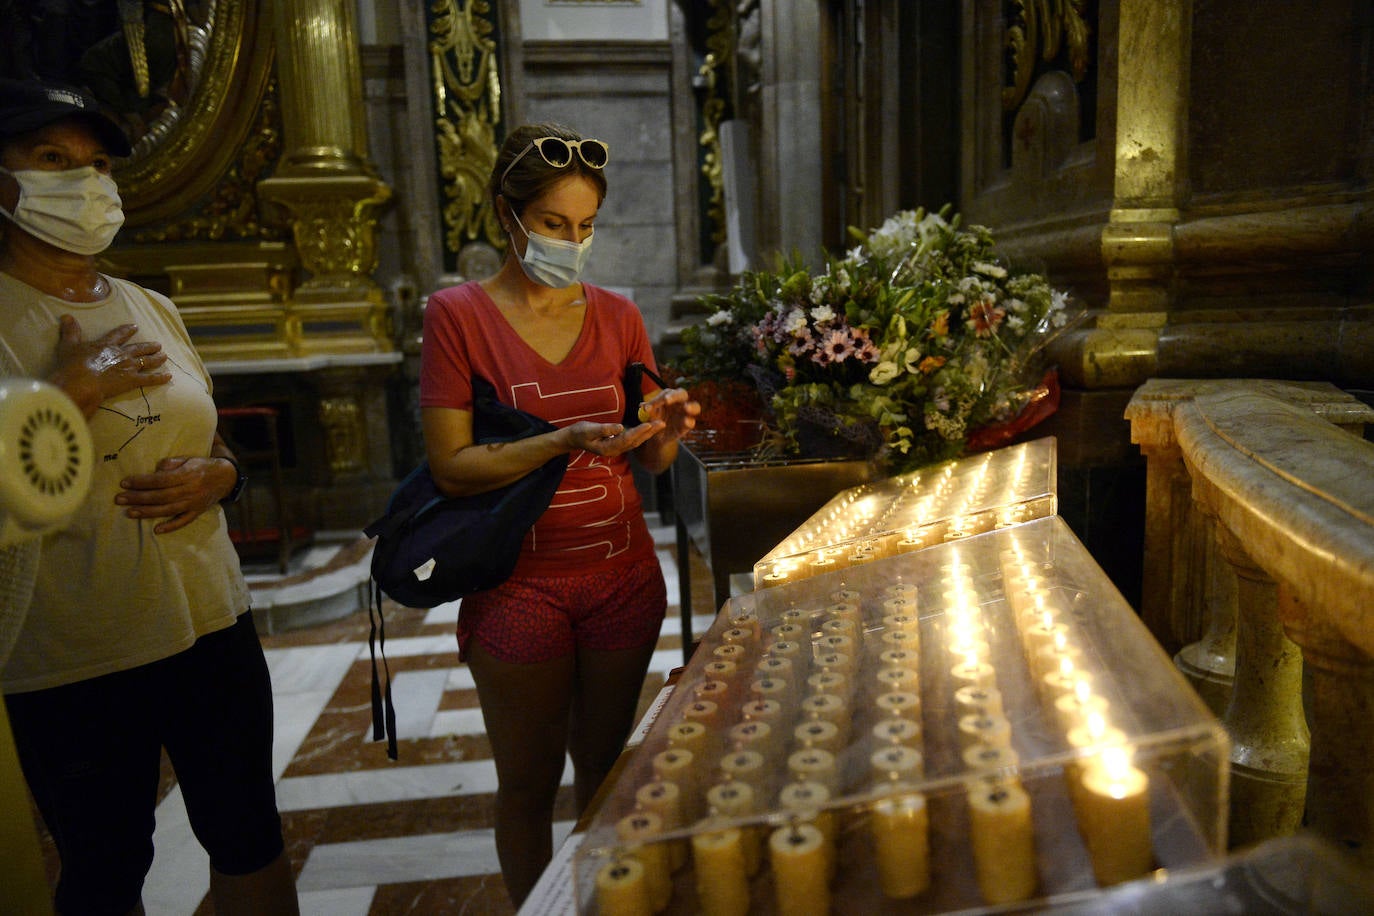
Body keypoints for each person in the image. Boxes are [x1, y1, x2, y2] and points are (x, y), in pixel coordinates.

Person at [0, 77, 298, 915]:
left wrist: (225, 477)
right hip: (76, 645)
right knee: (105, 866)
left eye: (96, 164)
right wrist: (66, 394)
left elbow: (209, 441)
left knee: (250, 832)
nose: (84, 183)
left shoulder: (150, 307)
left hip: (209, 619)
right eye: (52, 159)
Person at [420, 123, 700, 906]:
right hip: (520, 583)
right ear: (507, 217)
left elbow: (650, 460)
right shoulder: (459, 317)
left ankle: (601, 900)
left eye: (584, 228)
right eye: (552, 225)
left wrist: (666, 432)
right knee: (529, 781)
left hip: (622, 575)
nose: (572, 244)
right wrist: (561, 441)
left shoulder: (619, 316)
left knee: (608, 772)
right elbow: (453, 466)